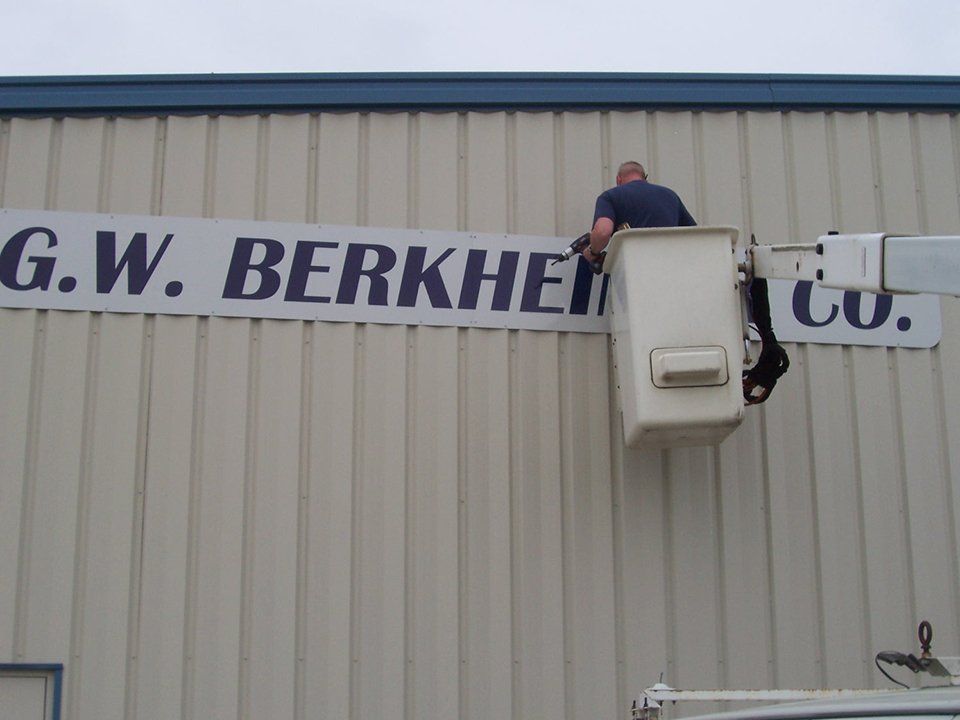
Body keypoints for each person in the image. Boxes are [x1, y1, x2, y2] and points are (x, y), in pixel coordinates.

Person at [582, 161, 696, 265]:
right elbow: (693, 233)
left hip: (635, 269)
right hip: (671, 266)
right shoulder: (670, 195)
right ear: (644, 178)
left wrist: (593, 252)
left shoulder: (610, 196)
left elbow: (602, 231)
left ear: (618, 179)